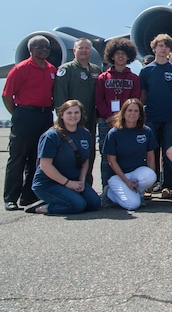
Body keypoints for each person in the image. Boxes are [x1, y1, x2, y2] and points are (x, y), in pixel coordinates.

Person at [3, 35, 57, 211]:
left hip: (44, 115)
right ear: (31, 50)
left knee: (37, 157)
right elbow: (6, 95)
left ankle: (28, 196)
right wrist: (18, 113)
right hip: (25, 114)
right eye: (40, 47)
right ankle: (11, 197)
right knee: (18, 157)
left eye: (47, 48)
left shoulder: (51, 69)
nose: (44, 50)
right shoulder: (20, 69)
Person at [28, 100, 100, 215]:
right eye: (69, 113)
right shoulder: (51, 136)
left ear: (81, 114)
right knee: (78, 205)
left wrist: (81, 181)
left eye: (76, 112)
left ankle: (63, 199)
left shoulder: (85, 133)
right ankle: (44, 207)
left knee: (94, 203)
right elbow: (45, 165)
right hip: (49, 183)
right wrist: (68, 184)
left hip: (73, 181)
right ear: (62, 115)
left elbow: (85, 159)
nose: (73, 116)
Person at [53, 38, 102, 185]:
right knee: (68, 154)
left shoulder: (96, 70)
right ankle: (67, 184)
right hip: (70, 122)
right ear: (74, 51)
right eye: (81, 48)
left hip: (90, 121)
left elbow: (99, 96)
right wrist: (64, 119)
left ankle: (86, 185)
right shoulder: (66, 70)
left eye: (87, 48)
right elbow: (59, 97)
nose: (84, 51)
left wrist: (98, 116)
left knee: (89, 153)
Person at [139, 33, 172, 199]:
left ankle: (166, 186)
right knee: (151, 152)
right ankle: (150, 184)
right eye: (160, 46)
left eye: (166, 46)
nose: (163, 49)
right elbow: (142, 95)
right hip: (151, 117)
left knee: (168, 152)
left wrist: (169, 110)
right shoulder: (146, 70)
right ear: (154, 48)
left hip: (168, 117)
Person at [95, 38, 141, 185]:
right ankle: (106, 188)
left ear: (129, 56)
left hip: (127, 122)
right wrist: (109, 117)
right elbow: (99, 99)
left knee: (125, 155)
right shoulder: (103, 77)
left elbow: (135, 99)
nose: (120, 56)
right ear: (112, 56)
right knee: (106, 156)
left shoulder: (134, 78)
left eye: (123, 54)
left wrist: (124, 118)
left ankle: (125, 186)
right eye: (117, 53)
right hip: (106, 122)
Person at [102, 98, 158, 211]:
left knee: (151, 176)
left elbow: (151, 157)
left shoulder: (146, 131)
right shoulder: (114, 133)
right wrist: (125, 180)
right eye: (129, 110)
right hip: (117, 175)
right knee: (132, 205)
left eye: (136, 111)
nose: (132, 114)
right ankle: (110, 194)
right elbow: (111, 160)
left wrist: (152, 182)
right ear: (123, 113)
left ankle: (137, 193)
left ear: (140, 114)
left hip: (136, 173)